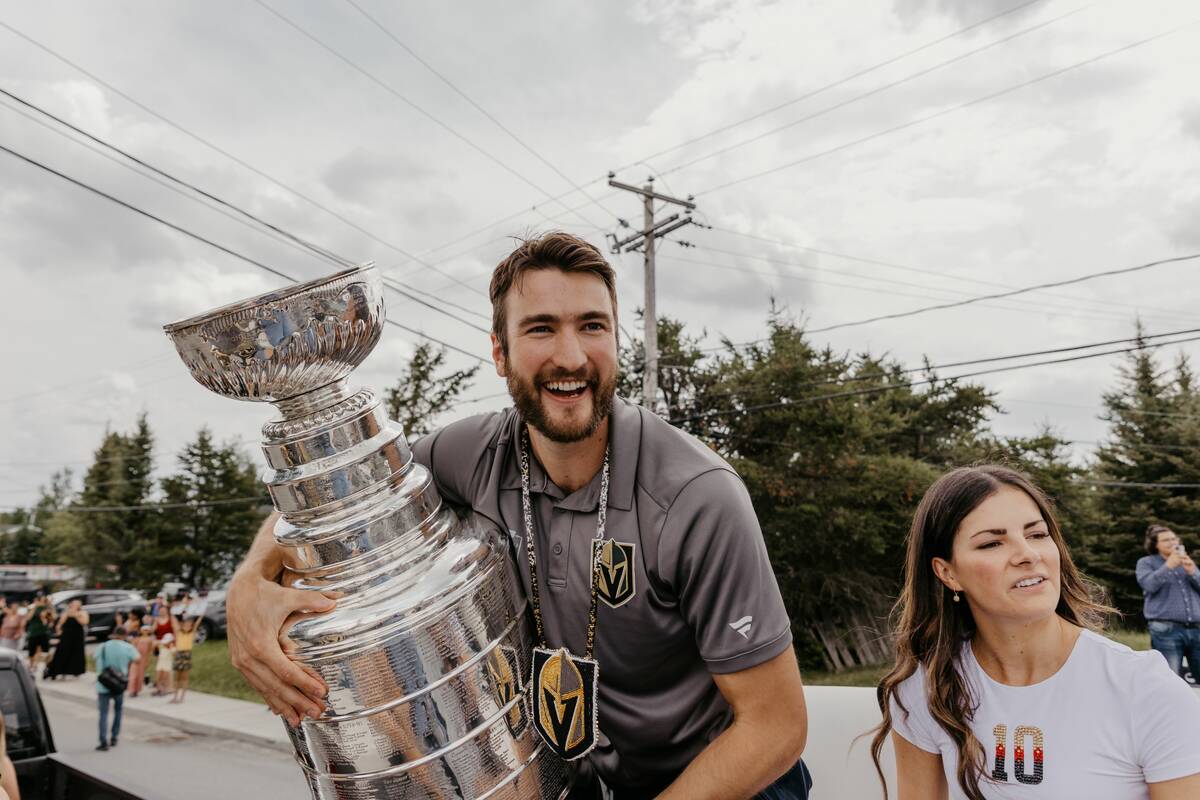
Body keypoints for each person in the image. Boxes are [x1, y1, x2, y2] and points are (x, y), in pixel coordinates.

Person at [224, 232, 811, 799]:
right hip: (587, 779)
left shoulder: (696, 496)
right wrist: (248, 583)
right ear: (500, 353)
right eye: (541, 329)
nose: (572, 356)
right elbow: (342, 495)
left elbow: (775, 728)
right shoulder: (470, 453)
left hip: (731, 782)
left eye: (592, 325)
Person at [871, 465, 1200, 799]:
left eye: (1037, 534)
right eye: (992, 543)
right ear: (947, 573)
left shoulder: (1144, 689)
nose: (1027, 555)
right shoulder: (927, 689)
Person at [1136, 524, 1200, 681]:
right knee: (1169, 681)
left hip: (1197, 630)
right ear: (1155, 544)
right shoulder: (1146, 562)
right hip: (1166, 631)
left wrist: (1193, 572)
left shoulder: (1186, 562)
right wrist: (1168, 566)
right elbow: (1149, 585)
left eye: (1174, 538)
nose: (1172, 542)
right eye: (1166, 540)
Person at [93, 627, 139, 751]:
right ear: (125, 635)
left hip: (103, 684)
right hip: (118, 684)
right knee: (118, 711)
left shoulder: (102, 646)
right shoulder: (127, 647)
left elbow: (95, 659)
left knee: (103, 713)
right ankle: (114, 737)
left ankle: (103, 740)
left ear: (114, 634)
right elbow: (137, 659)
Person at [44, 599, 87, 680]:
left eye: (76, 604)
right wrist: (58, 631)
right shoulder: (66, 613)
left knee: (76, 654)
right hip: (67, 636)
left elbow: (84, 622)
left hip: (78, 636)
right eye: (73, 604)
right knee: (61, 652)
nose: (74, 606)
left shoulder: (82, 613)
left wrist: (76, 615)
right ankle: (54, 671)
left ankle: (75, 671)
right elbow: (59, 624)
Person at [169, 615, 197, 703]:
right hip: (179, 655)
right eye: (185, 625)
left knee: (185, 678)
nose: (187, 627)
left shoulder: (192, 634)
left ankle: (182, 697)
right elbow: (174, 623)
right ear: (182, 625)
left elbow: (197, 624)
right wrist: (173, 613)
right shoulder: (178, 633)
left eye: (189, 625)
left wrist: (200, 615)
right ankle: (175, 696)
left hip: (187, 655)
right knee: (177, 677)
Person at [24, 600, 52, 674]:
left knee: (46, 651)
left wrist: (46, 614)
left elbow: (50, 619)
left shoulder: (46, 608)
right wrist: (34, 607)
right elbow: (28, 618)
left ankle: (47, 667)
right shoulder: (32, 607)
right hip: (33, 633)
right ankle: (31, 666)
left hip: (43, 633)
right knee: (31, 652)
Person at [127, 626, 154, 697]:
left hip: (143, 659)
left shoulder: (150, 640)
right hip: (135, 657)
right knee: (133, 674)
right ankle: (131, 690)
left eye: (147, 630)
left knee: (140, 675)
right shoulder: (137, 639)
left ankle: (136, 690)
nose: (145, 631)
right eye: (144, 630)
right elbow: (132, 648)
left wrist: (148, 661)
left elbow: (150, 651)